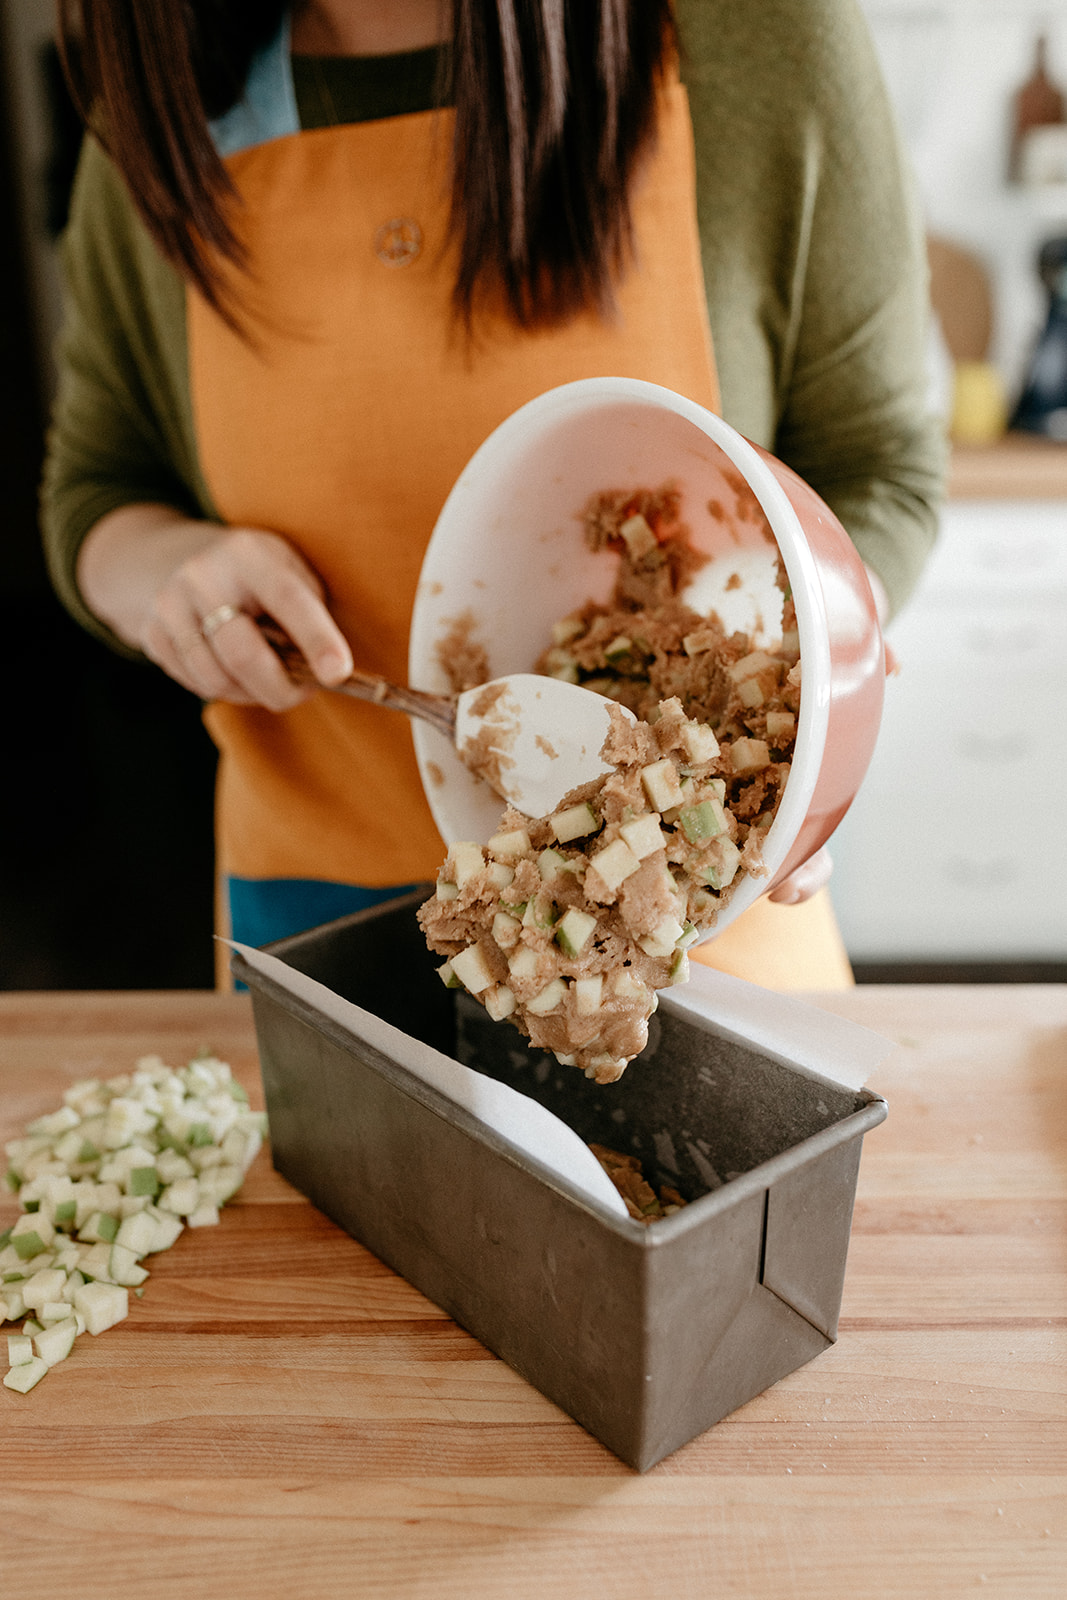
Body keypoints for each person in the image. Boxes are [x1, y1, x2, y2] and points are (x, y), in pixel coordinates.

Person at [42, 0, 945, 987]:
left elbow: (881, 465)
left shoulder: (756, 37)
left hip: (704, 916)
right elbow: (98, 489)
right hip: (319, 932)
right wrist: (168, 571)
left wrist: (805, 714)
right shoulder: (166, 120)